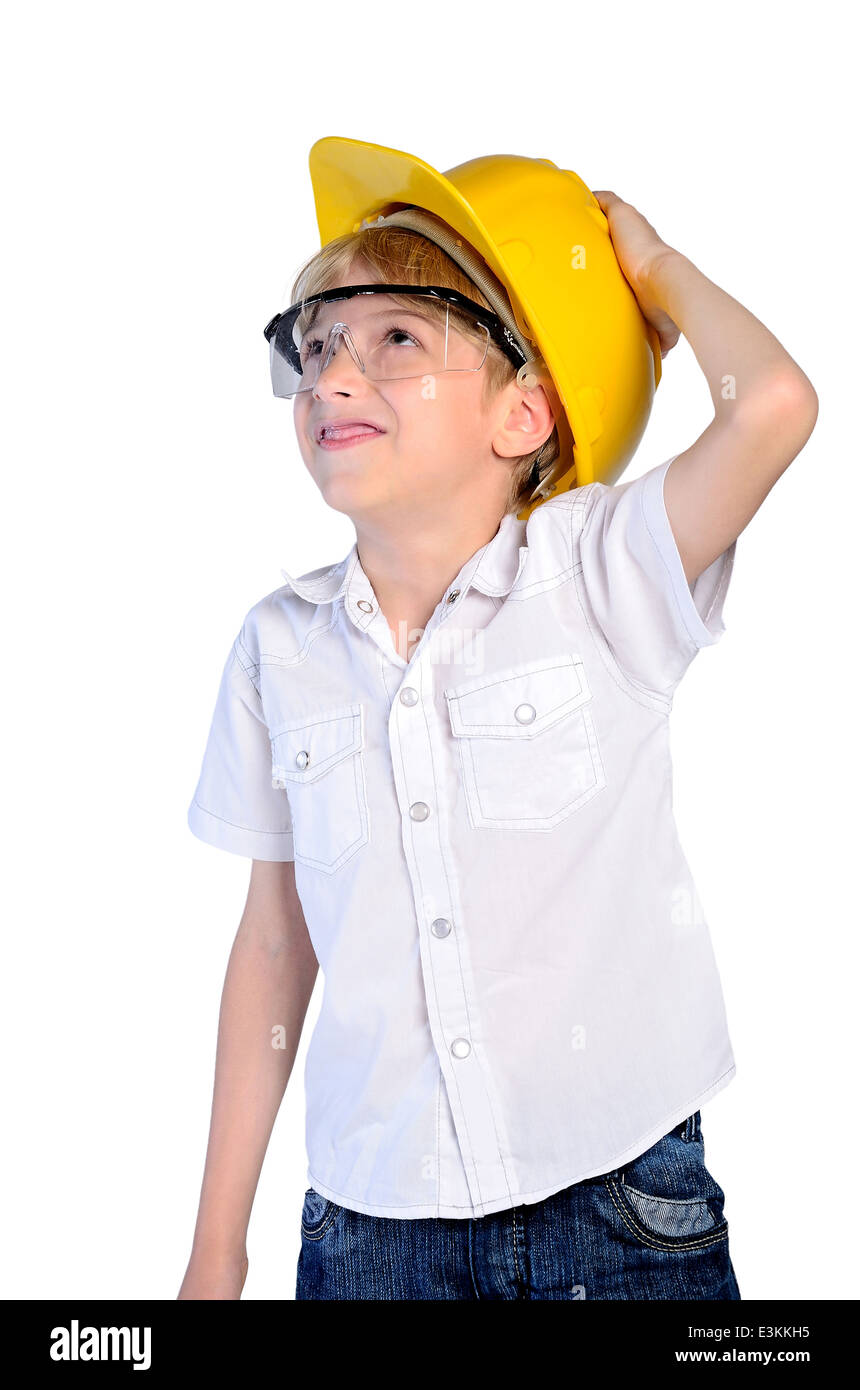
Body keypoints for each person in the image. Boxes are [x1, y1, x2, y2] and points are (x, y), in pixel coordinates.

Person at [178, 141, 818, 1301]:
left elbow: (771, 405)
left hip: (619, 1214)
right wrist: (215, 1255)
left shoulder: (604, 574)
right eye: (314, 347)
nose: (329, 377)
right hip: (371, 1237)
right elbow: (274, 945)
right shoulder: (279, 650)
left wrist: (654, 269)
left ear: (522, 412)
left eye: (394, 339)